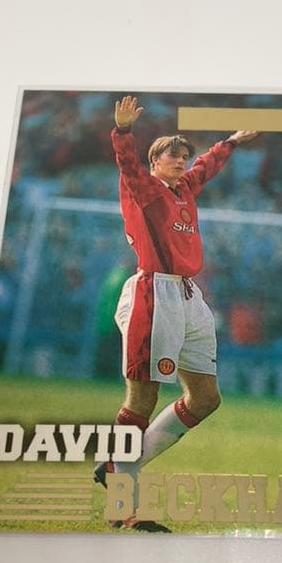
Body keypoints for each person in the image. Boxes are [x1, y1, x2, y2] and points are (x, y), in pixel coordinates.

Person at [94, 95, 258, 531]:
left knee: (205, 399)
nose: (182, 162)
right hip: (154, 294)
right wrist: (122, 131)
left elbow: (206, 166)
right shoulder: (144, 189)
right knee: (142, 399)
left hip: (188, 295)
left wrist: (230, 143)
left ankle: (116, 465)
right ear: (155, 162)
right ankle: (123, 505)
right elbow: (127, 165)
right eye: (173, 156)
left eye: (184, 156)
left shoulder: (184, 189)